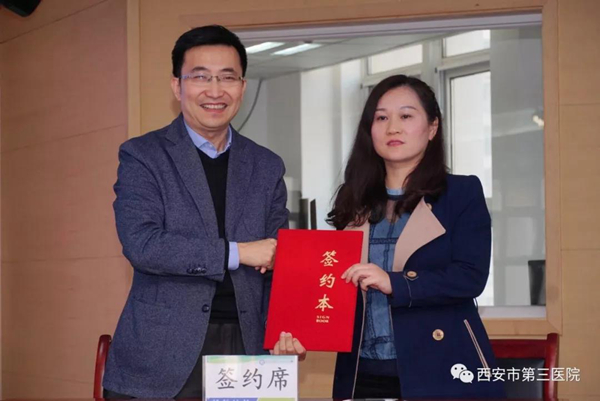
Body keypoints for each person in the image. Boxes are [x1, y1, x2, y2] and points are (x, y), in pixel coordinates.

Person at [103, 25, 292, 398]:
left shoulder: (267, 165)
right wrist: (237, 252)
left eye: (228, 77)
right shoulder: (143, 155)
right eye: (201, 77)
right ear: (177, 86)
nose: (215, 91)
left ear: (243, 87)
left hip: (248, 348)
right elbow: (143, 244)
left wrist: (289, 329)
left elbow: (279, 259)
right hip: (161, 353)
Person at [327, 75, 506, 399]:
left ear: (432, 127)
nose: (393, 128)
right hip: (360, 372)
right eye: (381, 118)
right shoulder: (352, 199)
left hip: (441, 367)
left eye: (406, 116)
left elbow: (470, 277)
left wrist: (396, 282)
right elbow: (335, 283)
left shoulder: (461, 193)